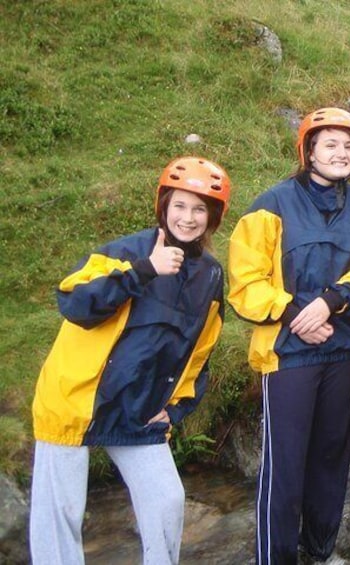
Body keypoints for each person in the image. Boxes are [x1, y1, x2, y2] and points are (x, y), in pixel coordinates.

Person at [29, 156, 232, 565]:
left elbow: (199, 352)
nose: (188, 218)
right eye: (179, 205)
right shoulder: (125, 252)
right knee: (60, 516)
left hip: (138, 408)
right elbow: (76, 304)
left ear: (212, 218)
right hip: (75, 401)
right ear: (163, 206)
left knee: (167, 500)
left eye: (199, 209)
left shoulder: (209, 275)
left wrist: (175, 410)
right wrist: (144, 271)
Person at [227, 107, 350, 564]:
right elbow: (245, 285)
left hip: (343, 353)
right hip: (287, 355)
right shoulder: (270, 205)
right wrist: (296, 311)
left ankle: (320, 550)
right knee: (285, 467)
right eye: (330, 145)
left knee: (330, 459)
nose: (341, 154)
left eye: (348, 146)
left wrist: (332, 300)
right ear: (308, 152)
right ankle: (274, 557)